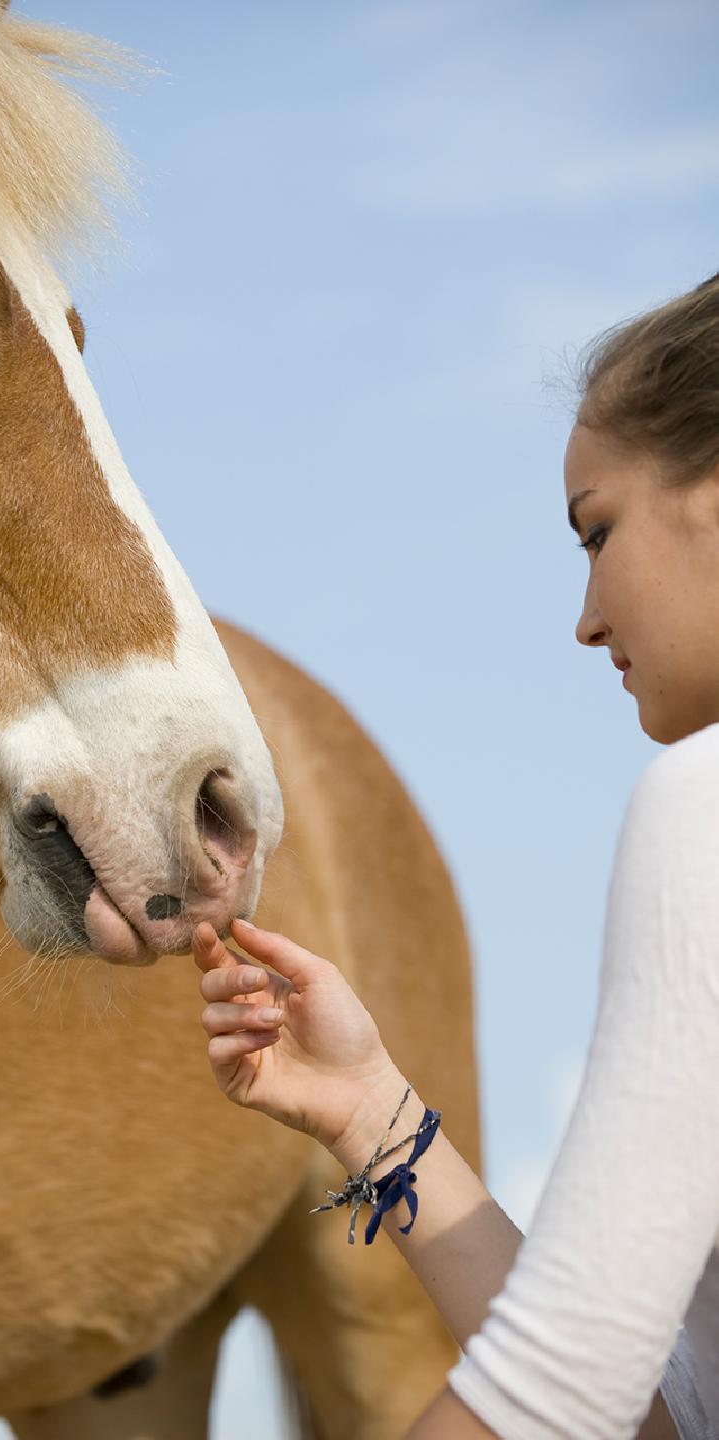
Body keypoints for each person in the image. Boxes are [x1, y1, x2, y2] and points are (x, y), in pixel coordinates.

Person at [192, 276, 719, 1440]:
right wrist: (368, 1110)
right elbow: (656, 1413)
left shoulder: (705, 802)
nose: (584, 615)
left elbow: (562, 1391)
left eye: (598, 530)